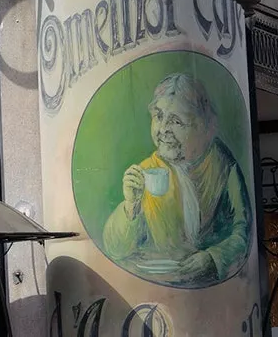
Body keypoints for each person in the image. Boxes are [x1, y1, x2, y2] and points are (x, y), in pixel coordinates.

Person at [101, 72, 250, 287]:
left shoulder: (223, 164)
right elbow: (114, 248)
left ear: (201, 125)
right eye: (159, 116)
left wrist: (213, 258)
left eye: (176, 121)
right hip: (156, 288)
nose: (162, 130)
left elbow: (243, 231)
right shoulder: (146, 172)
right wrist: (131, 206)